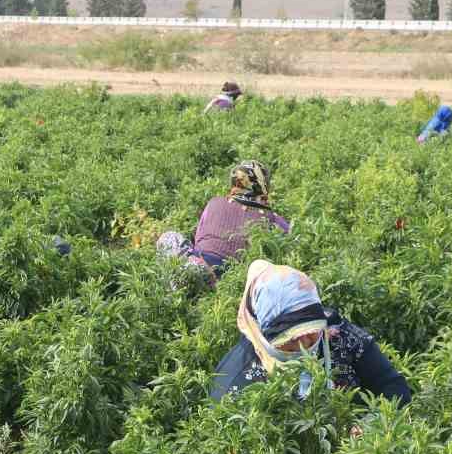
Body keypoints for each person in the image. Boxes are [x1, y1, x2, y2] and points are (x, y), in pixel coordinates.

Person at [210, 260, 411, 405]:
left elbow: (392, 385)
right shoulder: (236, 382)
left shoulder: (336, 332)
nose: (305, 345)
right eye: (290, 339)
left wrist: (368, 426)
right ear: (264, 335)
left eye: (311, 332)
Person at [158, 161, 291, 280]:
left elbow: (199, 237)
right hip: (234, 272)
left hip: (202, 258)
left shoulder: (215, 202)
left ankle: (188, 272)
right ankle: (201, 276)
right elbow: (291, 236)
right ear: (262, 186)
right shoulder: (271, 217)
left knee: (168, 237)